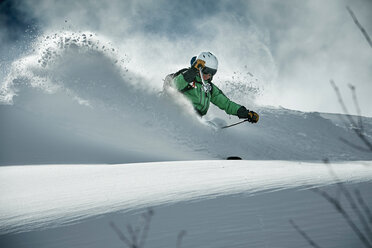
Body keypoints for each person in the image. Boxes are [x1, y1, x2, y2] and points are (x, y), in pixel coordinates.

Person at [164, 52, 259, 123]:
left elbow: (226, 104)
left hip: (196, 120)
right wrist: (192, 72)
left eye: (212, 72)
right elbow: (175, 84)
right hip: (178, 115)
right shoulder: (187, 77)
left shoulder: (209, 88)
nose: (209, 75)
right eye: (207, 71)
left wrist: (245, 113)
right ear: (199, 68)